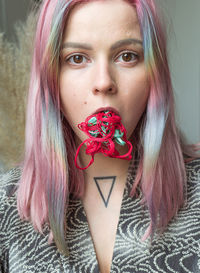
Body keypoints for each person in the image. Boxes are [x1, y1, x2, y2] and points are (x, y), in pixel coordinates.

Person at [0, 0, 199, 272]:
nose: (104, 81)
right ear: (50, 80)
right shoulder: (6, 203)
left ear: (155, 76)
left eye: (127, 56)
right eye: (77, 58)